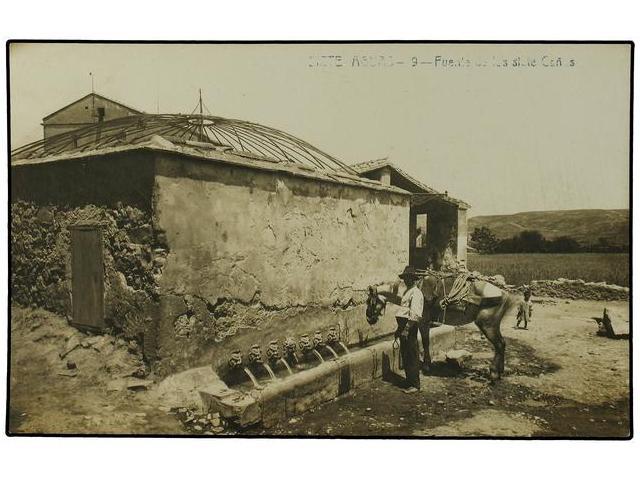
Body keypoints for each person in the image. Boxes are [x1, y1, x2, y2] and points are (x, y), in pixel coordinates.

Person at [394, 265, 424, 394]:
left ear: (414, 279)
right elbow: (403, 311)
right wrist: (398, 330)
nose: (407, 280)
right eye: (405, 278)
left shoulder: (416, 293)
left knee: (412, 354)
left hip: (409, 327)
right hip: (404, 326)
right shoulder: (407, 291)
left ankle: (415, 385)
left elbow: (415, 314)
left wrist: (406, 328)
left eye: (409, 278)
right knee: (405, 354)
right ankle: (409, 380)